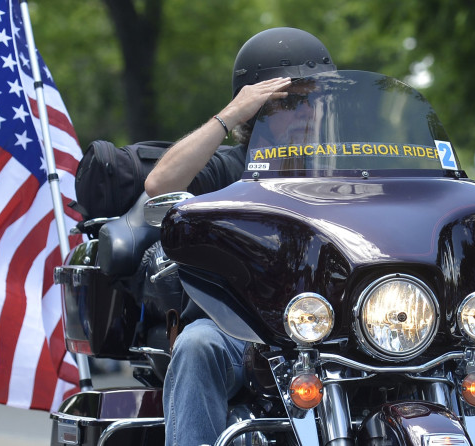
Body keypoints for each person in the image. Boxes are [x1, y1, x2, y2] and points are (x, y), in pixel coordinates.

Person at [144, 27, 337, 446]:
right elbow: (160, 183)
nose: (309, 111)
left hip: (334, 329)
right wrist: (229, 115)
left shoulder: (346, 170)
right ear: (258, 108)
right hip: (237, 331)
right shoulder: (230, 166)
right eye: (292, 101)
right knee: (196, 347)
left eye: (316, 99)